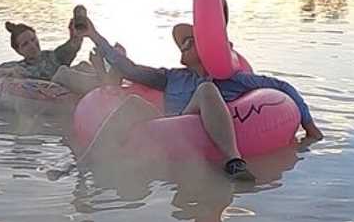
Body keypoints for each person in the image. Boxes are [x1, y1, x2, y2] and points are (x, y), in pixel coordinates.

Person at [78, 18, 323, 180]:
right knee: (132, 105)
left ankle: (234, 162)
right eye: (182, 43)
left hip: (202, 122)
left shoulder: (230, 79)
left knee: (206, 90)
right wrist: (93, 35)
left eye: (189, 41)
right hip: (170, 127)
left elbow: (281, 87)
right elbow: (128, 69)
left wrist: (309, 127)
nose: (182, 46)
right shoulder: (170, 77)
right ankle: (86, 163)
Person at [0, 19, 117, 95]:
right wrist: (7, 71)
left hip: (76, 84)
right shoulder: (18, 67)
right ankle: (107, 82)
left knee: (83, 65)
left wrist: (75, 33)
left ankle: (111, 77)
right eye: (25, 44)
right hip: (51, 89)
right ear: (18, 51)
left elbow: (74, 45)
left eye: (33, 39)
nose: (32, 45)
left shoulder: (53, 56)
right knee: (63, 72)